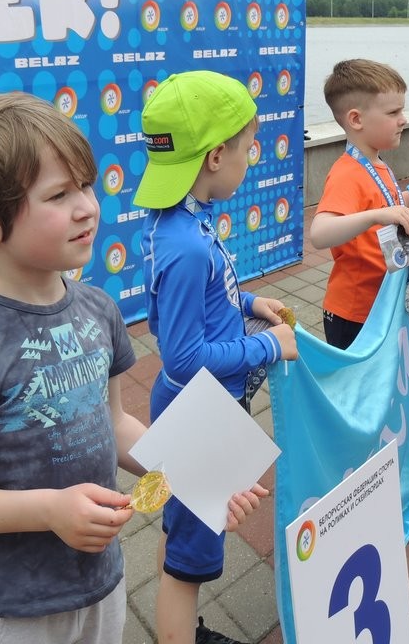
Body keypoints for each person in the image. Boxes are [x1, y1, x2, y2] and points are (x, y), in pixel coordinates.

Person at [0, 92, 266, 644]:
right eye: (59, 194)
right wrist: (49, 509)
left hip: (99, 585)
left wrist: (196, 474)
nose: (87, 207)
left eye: (86, 185)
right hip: (9, 608)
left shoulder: (99, 309)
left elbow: (115, 422)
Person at [133, 71, 298, 644]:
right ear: (215, 155)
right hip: (196, 416)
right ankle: (180, 630)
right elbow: (183, 357)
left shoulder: (182, 219)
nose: (249, 163)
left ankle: (179, 622)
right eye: (248, 151)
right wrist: (266, 345)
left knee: (182, 535)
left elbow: (205, 300)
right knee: (191, 563)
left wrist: (250, 301)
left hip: (200, 413)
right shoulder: (184, 243)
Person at [310, 59, 409, 349]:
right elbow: (320, 233)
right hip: (355, 312)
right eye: (393, 112)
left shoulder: (376, 161)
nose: (404, 119)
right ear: (356, 119)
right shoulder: (347, 173)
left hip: (380, 302)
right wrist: (376, 215)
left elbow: (387, 203)